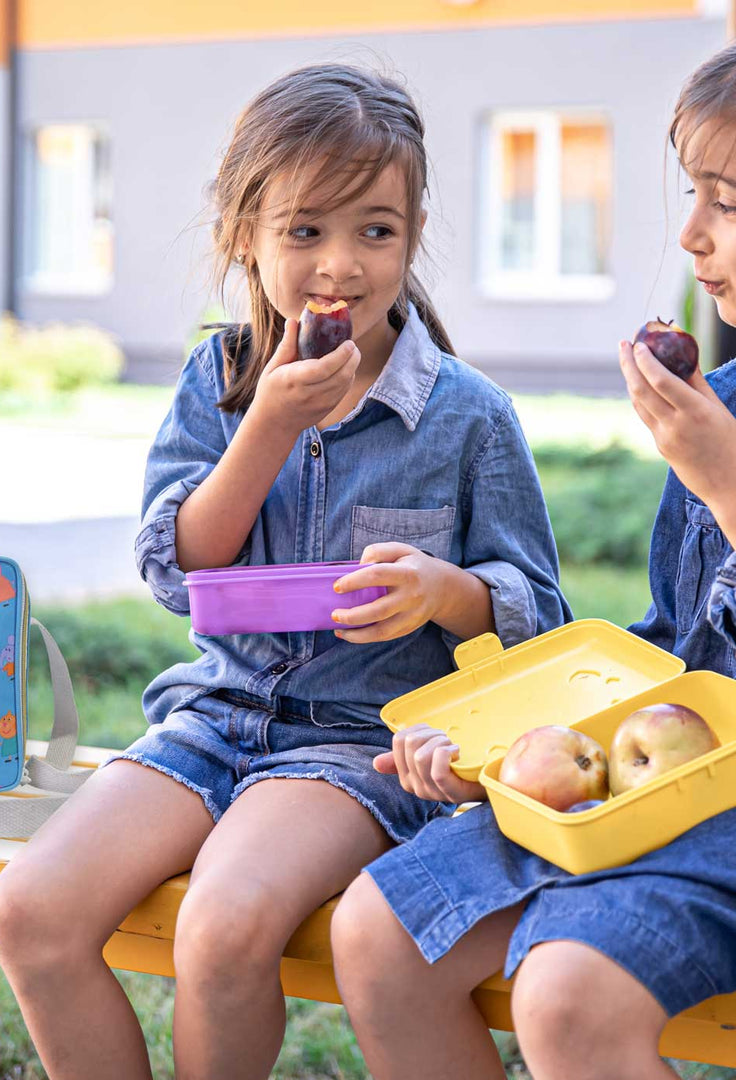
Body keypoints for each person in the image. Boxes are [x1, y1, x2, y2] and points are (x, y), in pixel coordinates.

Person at [0, 62, 569, 1080]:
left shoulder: (468, 416)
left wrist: (446, 592)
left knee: (221, 926)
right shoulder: (217, 385)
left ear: (415, 231)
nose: (341, 265)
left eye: (375, 231)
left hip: (358, 749)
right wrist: (269, 422)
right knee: (28, 911)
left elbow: (539, 614)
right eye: (306, 231)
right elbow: (179, 571)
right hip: (215, 715)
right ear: (243, 233)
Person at [331, 42, 736, 1080]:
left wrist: (727, 484)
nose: (689, 232)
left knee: (566, 996)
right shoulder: (721, 409)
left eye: (726, 200)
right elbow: (675, 654)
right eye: (692, 192)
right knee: (379, 933)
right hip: (661, 777)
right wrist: (509, 747)